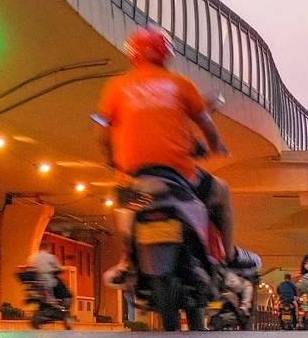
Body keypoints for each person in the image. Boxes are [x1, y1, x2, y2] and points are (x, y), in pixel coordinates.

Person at [95, 27, 241, 262]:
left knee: (114, 206)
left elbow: (102, 132)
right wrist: (216, 146)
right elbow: (207, 124)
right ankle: (230, 256)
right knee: (222, 192)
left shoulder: (116, 87)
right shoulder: (180, 84)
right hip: (179, 175)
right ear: (166, 54)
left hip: (132, 178)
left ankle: (125, 259)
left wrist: (110, 161)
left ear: (133, 54)